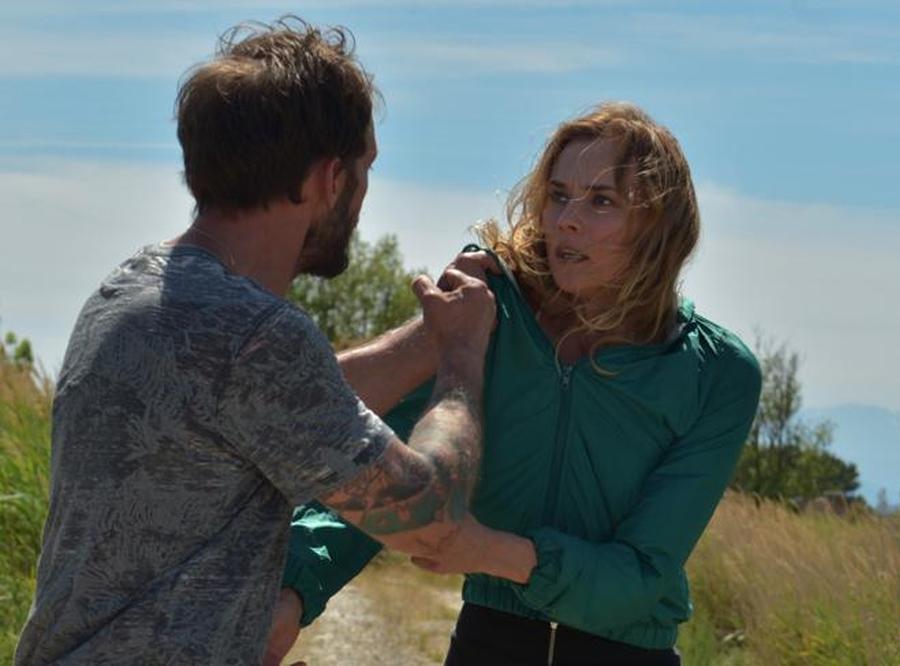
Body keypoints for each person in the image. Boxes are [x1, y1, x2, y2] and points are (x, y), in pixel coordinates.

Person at [14, 18, 496, 665]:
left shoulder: (133, 290)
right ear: (328, 179)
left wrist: (432, 334)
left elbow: (277, 408)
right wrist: (462, 358)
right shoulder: (255, 338)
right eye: (364, 168)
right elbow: (428, 515)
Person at [269, 102, 763, 665]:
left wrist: (485, 550)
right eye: (558, 195)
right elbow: (382, 466)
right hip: (487, 643)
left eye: (602, 201)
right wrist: (293, 590)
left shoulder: (716, 372)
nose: (566, 220)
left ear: (658, 225)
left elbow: (642, 575)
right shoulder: (490, 315)